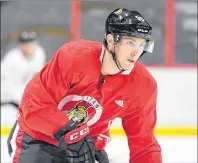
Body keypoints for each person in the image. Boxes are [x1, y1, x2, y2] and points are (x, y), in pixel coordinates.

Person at [7, 8, 162, 163]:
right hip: (37, 139)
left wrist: (82, 140)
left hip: (87, 146)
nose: (136, 52)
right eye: (130, 43)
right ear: (110, 40)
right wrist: (71, 133)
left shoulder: (143, 86)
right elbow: (34, 105)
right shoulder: (73, 57)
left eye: (142, 45)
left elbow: (144, 146)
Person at [1, 30, 46, 107]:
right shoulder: (12, 57)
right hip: (8, 100)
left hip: (25, 100)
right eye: (25, 44)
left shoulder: (39, 53)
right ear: (21, 45)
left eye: (31, 43)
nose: (28, 46)